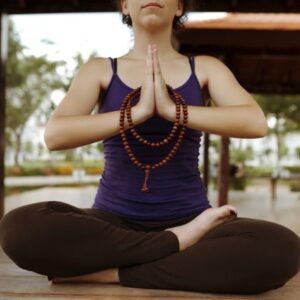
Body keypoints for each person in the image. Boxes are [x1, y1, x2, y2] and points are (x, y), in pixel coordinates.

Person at [0, 0, 299, 295]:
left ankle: (117, 273)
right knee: (18, 228)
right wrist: (138, 113)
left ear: (179, 7)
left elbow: (255, 122)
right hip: (113, 224)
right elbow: (55, 135)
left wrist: (171, 111)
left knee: (282, 248)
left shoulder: (205, 68)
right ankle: (176, 243)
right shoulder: (100, 69)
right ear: (125, 7)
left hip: (192, 217)